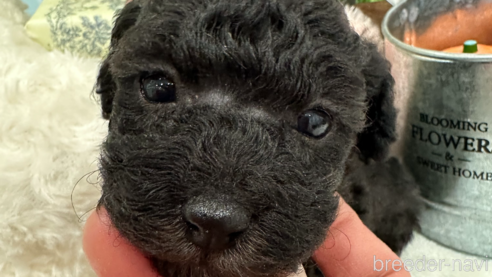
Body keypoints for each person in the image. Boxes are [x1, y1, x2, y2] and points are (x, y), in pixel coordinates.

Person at [83, 196, 411, 277]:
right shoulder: (117, 228)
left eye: (308, 122)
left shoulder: (320, 210)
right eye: (162, 91)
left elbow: (379, 270)